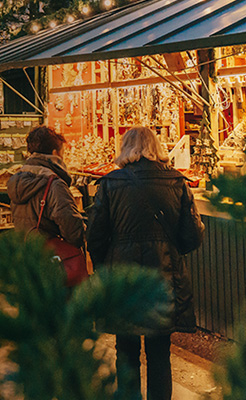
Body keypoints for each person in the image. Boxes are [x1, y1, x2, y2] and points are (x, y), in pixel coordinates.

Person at [86, 126, 205, 400]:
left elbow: (95, 236)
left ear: (125, 149)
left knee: (126, 349)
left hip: (123, 278)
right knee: (160, 352)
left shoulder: (110, 183)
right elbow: (193, 235)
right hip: (163, 275)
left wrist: (107, 265)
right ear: (157, 148)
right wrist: (172, 251)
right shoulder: (177, 182)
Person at [7, 126, 86, 253]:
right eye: (63, 153)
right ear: (55, 153)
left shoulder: (17, 179)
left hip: (26, 252)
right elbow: (71, 226)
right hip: (50, 255)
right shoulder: (53, 183)